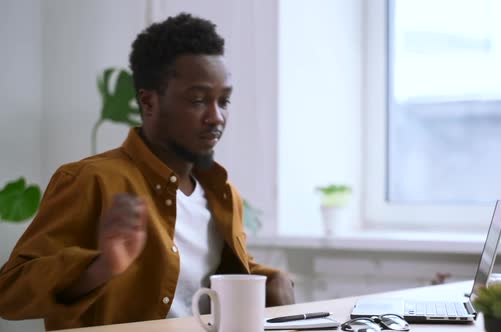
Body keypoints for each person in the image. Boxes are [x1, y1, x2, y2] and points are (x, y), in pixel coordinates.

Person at [0, 13, 294, 330]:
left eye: (223, 101)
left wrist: (270, 278)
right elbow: (10, 293)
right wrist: (102, 266)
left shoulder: (222, 193)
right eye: (198, 100)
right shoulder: (91, 180)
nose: (216, 117)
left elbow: (213, 276)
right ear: (149, 101)